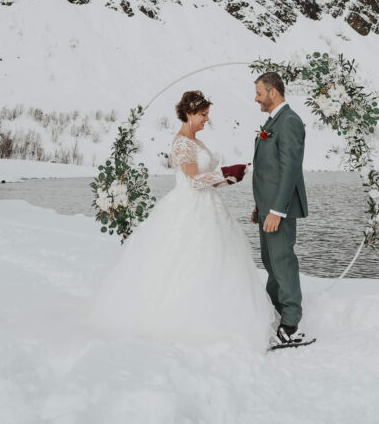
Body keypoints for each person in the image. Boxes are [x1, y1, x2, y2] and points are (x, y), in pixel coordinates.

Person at [88, 90, 274, 349]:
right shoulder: (182, 144)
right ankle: (185, 323)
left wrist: (229, 177)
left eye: (207, 114)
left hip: (210, 206)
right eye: (202, 114)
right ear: (188, 113)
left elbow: (207, 180)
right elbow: (192, 181)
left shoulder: (197, 142)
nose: (206, 119)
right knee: (188, 260)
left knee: (219, 260)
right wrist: (223, 172)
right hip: (190, 208)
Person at [252, 71, 310, 347]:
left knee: (283, 262)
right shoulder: (275, 120)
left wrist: (277, 210)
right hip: (267, 208)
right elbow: (269, 171)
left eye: (259, 93)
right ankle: (277, 310)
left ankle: (291, 324)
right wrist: (260, 207)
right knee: (270, 262)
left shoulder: (289, 122)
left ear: (273, 92)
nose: (256, 98)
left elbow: (289, 170)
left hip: (279, 210)